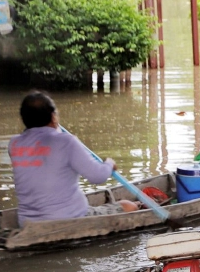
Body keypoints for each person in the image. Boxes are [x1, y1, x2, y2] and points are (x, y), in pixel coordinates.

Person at [9, 92, 139, 224]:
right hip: (70, 218)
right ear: (53, 117)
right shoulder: (66, 142)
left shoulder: (14, 143)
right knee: (129, 206)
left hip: (26, 221)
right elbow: (98, 176)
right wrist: (109, 164)